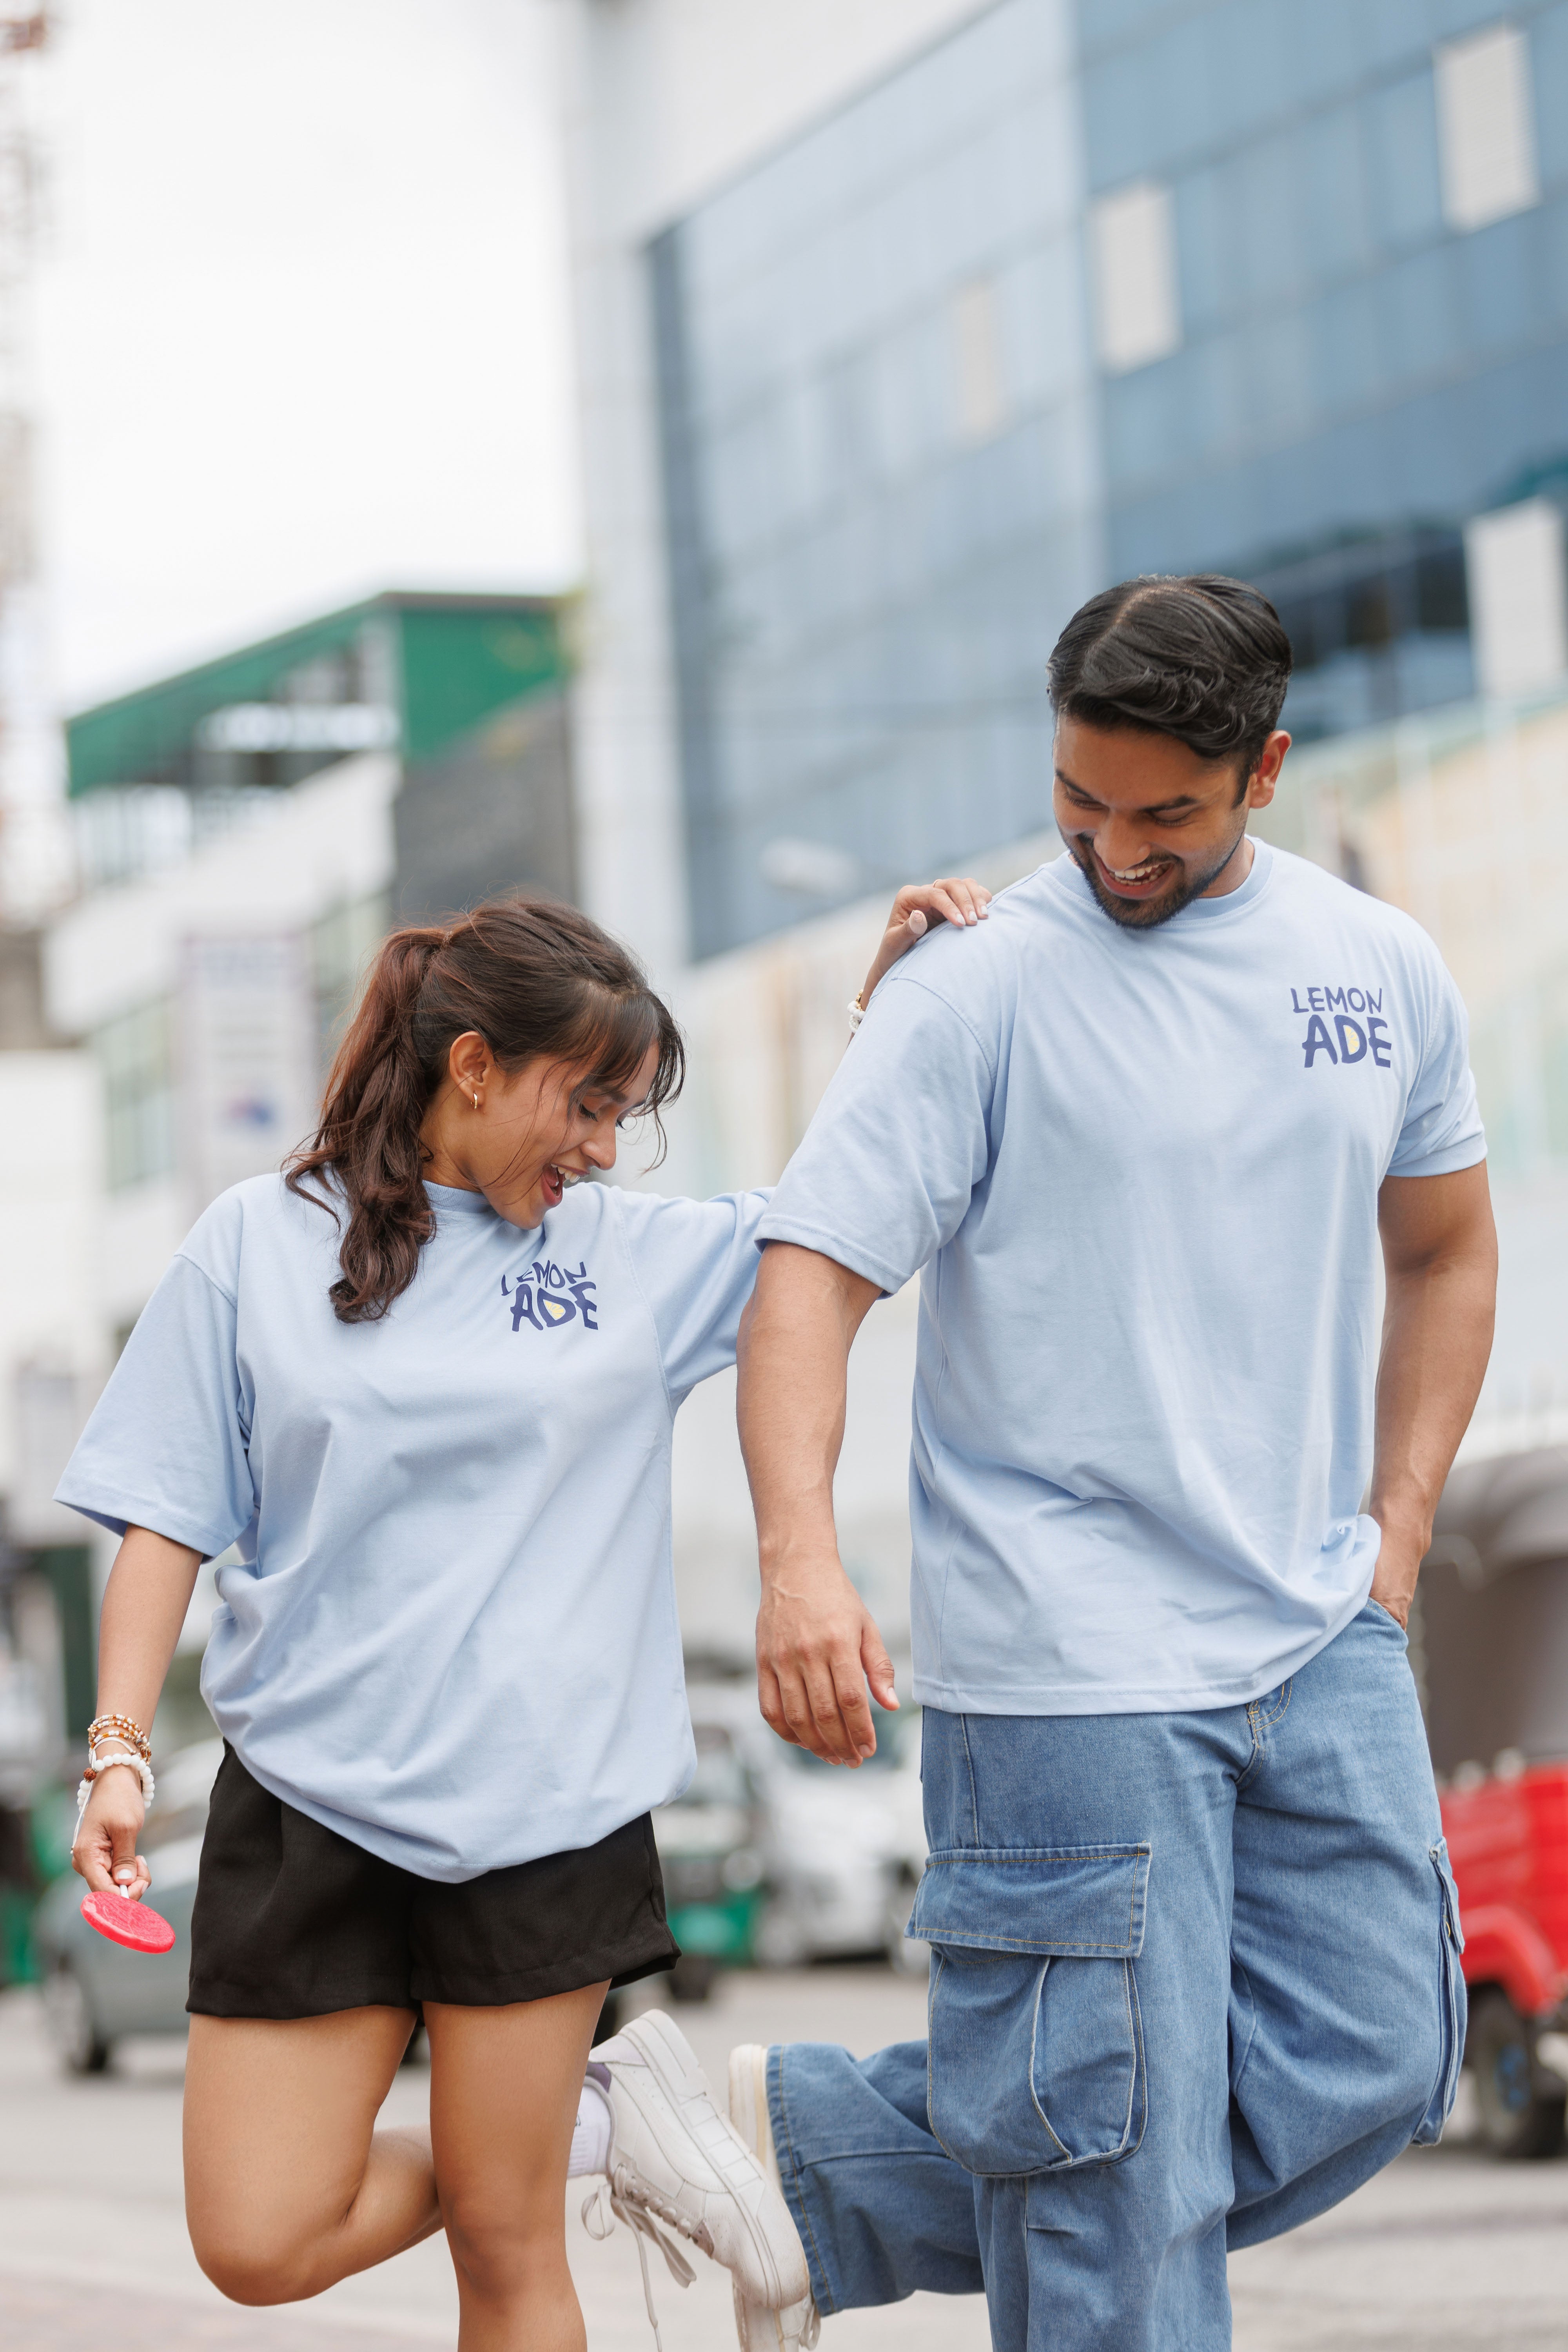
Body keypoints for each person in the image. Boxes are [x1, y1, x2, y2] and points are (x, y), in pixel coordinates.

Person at [711, 575, 1494, 2352]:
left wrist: (1397, 1534)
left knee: (1382, 2052)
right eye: (1080, 803)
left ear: (1266, 770)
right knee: (1106, 2195)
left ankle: (817, 2159)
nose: (1111, 849)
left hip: (1315, 1626)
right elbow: (807, 1279)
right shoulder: (974, 982)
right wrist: (797, 1560)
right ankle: (901, 2180)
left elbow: (1445, 1249)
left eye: (1164, 815)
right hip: (1064, 1669)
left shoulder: (1377, 970)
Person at [57, 880, 989, 2352]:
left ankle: (546, 2155)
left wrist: (886, 1012)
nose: (606, 1151)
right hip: (311, 1807)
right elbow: (164, 1516)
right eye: (587, 1106)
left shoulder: (631, 1256)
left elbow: (833, 1215)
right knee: (256, 2239)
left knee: (510, 2252)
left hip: (544, 1814)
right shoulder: (252, 1244)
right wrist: (117, 1747)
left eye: (627, 1120)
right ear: (473, 1066)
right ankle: (614, 2139)